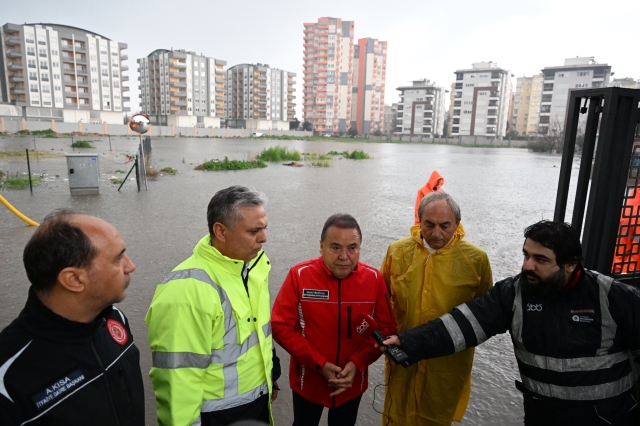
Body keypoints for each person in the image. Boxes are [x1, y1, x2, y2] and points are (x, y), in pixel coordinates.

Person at [382, 220, 640, 425]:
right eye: (526, 255)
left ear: (570, 264)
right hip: (542, 418)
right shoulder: (514, 293)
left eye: (541, 260)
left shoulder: (613, 297)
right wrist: (407, 341)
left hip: (608, 418)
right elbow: (464, 324)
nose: (527, 266)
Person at [146, 186, 280, 426]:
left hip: (259, 401)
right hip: (217, 416)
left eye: (264, 228)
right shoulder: (186, 290)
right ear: (220, 231)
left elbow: (258, 331)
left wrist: (271, 374)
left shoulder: (254, 266)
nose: (264, 238)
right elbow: (178, 383)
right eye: (254, 231)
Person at [0, 210, 144, 425]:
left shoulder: (114, 319)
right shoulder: (8, 376)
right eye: (117, 259)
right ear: (74, 279)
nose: (130, 266)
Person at [272, 214, 397, 426]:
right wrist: (319, 364)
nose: (344, 256)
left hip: (351, 382)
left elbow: (386, 328)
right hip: (309, 381)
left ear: (360, 247)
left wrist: (357, 364)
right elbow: (280, 326)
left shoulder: (374, 279)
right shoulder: (299, 276)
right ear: (321, 246)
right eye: (335, 247)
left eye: (352, 248)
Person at [381, 192, 493, 425]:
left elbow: (486, 315)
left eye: (445, 226)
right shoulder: (397, 251)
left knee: (436, 417)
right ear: (418, 221)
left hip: (447, 362)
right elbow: (381, 302)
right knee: (397, 415)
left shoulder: (476, 259)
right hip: (403, 356)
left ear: (457, 224)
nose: (436, 234)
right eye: (429, 225)